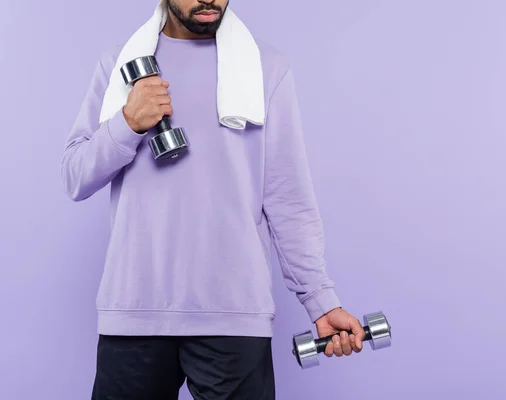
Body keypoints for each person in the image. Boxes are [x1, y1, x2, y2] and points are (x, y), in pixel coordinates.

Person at [61, 0, 365, 399]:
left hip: (234, 314)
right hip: (135, 313)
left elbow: (288, 199)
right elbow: (75, 176)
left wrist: (320, 300)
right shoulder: (119, 64)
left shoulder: (265, 67)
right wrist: (127, 124)